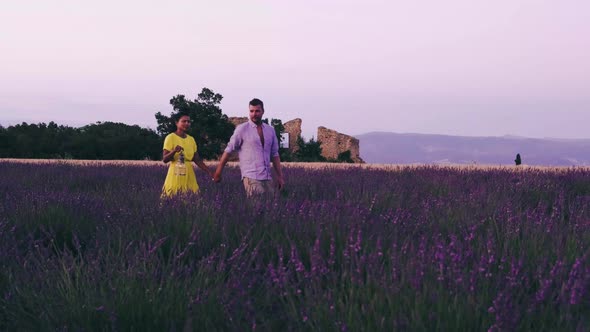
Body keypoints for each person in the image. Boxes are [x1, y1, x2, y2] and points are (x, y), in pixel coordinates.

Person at [213, 98, 285, 197]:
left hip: (267, 176)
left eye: (257, 111)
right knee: (257, 208)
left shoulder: (270, 130)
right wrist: (218, 172)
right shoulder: (242, 129)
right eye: (251, 111)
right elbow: (228, 150)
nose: (254, 114)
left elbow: (275, 154)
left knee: (271, 207)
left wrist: (280, 177)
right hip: (251, 176)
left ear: (263, 112)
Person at [162, 113, 213, 197]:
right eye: (184, 121)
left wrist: (209, 172)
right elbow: (165, 159)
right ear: (176, 123)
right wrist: (174, 151)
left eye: (189, 122)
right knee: (172, 198)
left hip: (189, 174)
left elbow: (197, 160)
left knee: (192, 199)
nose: (187, 123)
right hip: (175, 173)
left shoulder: (191, 139)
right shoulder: (170, 137)